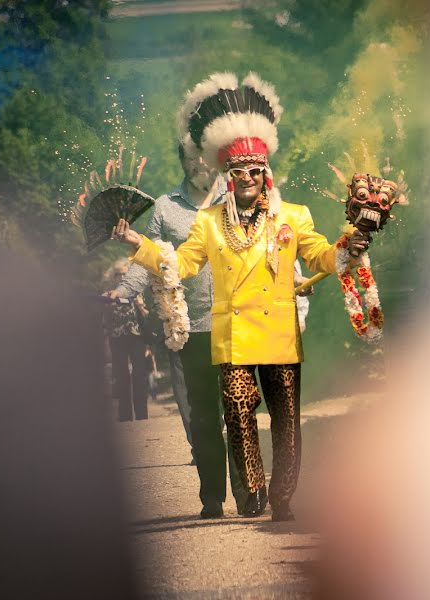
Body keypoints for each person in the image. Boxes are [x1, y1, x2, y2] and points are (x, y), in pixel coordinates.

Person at [112, 72, 370, 521]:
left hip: (279, 336)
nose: (247, 178)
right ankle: (252, 491)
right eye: (238, 172)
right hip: (230, 338)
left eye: (254, 171)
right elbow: (181, 264)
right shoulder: (209, 222)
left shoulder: (293, 215)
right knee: (237, 412)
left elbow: (320, 258)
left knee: (286, 423)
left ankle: (284, 495)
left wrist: (351, 244)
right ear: (227, 177)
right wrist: (140, 244)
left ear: (265, 174)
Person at [107, 143, 249, 518]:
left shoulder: (240, 195)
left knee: (239, 412)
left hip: (237, 324)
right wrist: (123, 291)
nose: (198, 164)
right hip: (190, 326)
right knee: (202, 416)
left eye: (203, 156)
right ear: (184, 163)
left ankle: (247, 492)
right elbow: (150, 258)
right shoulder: (165, 207)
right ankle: (212, 498)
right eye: (190, 158)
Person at [102, 259, 150, 421]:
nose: (122, 277)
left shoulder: (138, 291)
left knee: (139, 375)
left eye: (125, 274)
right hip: (117, 338)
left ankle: (142, 415)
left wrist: (140, 304)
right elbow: (104, 321)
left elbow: (147, 318)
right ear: (113, 276)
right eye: (118, 274)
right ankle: (124, 415)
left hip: (137, 337)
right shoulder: (108, 294)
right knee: (121, 376)